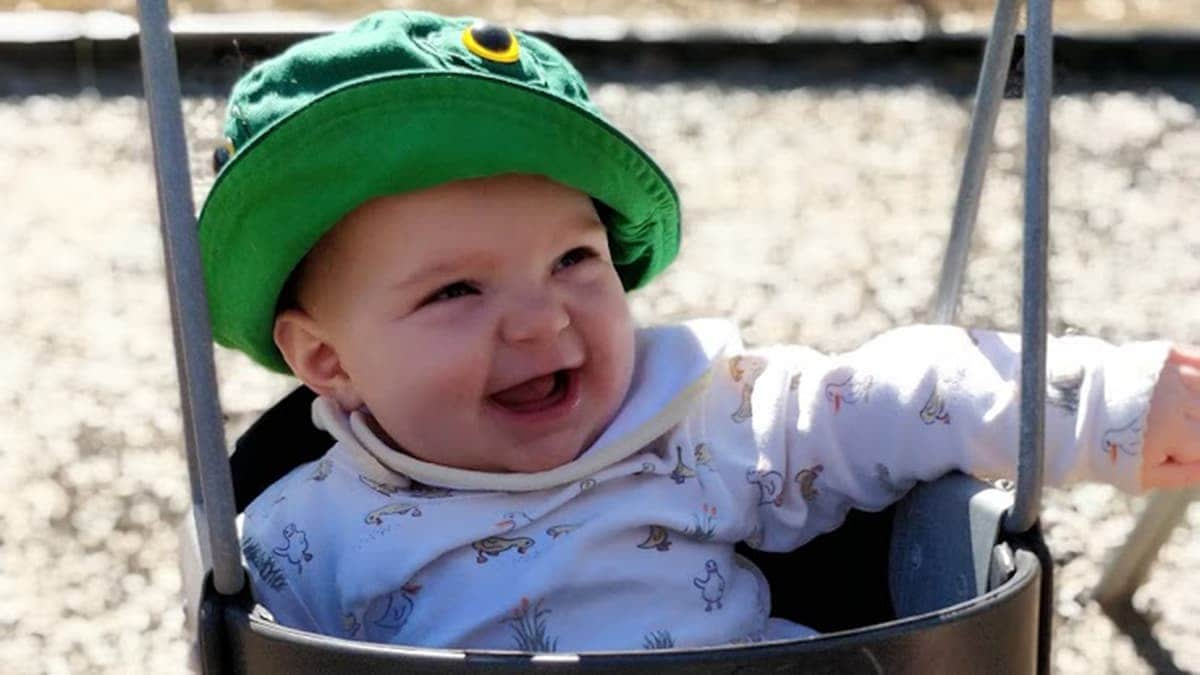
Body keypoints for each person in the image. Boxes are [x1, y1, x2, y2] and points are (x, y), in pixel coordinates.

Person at [199, 10, 1200, 651]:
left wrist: (1116, 404)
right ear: (327, 360)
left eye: (575, 260)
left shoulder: (696, 420)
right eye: (457, 290)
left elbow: (909, 392)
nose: (544, 317)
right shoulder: (300, 541)